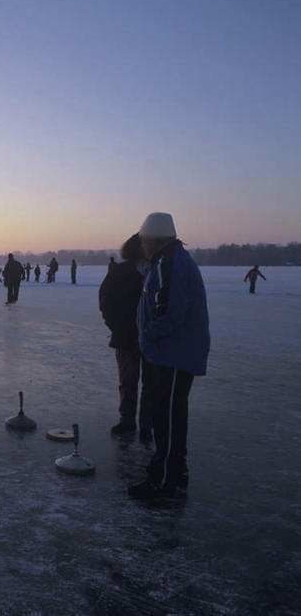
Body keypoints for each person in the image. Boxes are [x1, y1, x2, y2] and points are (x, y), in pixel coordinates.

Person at [129, 213, 210, 500]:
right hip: (172, 352)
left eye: (143, 241)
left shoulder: (170, 263)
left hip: (173, 354)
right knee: (170, 415)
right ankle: (177, 471)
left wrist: (146, 335)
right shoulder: (167, 261)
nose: (142, 246)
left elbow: (170, 314)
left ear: (152, 240)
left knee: (168, 418)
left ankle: (163, 482)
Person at [99, 234, 152, 442]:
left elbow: (104, 302)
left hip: (146, 336)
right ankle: (132, 421)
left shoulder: (155, 270)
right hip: (129, 336)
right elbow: (105, 302)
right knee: (132, 382)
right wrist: (116, 326)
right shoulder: (121, 272)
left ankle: (142, 423)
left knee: (143, 382)